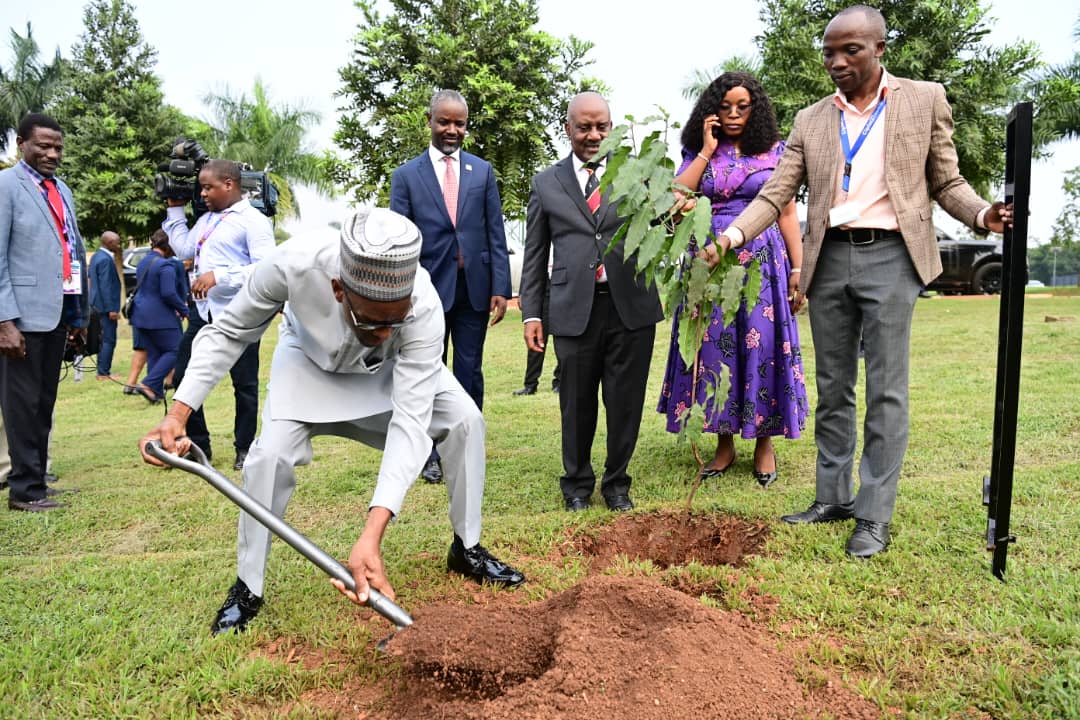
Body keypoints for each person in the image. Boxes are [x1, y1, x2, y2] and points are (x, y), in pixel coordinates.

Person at [705, 5, 1012, 557]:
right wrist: (732, 238)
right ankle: (833, 497)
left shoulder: (924, 99)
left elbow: (947, 180)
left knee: (887, 389)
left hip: (893, 256)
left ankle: (873, 515)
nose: (837, 61)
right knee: (835, 386)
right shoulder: (811, 119)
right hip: (829, 260)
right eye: (829, 52)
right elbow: (776, 193)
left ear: (880, 49)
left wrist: (982, 215)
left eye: (850, 50)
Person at [140, 207, 524, 634]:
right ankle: (248, 587)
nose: (383, 332)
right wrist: (179, 413)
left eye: (392, 322)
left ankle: (466, 547)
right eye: (373, 321)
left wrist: (372, 533)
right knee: (266, 458)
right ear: (339, 289)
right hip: (306, 365)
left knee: (465, 419)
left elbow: (411, 423)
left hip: (387, 372)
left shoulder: (423, 308)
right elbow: (230, 331)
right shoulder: (291, 265)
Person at [657, 72, 809, 487]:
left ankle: (764, 444)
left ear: (756, 108)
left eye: (743, 106)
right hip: (708, 262)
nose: (734, 113)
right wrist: (706, 150)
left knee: (761, 347)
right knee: (714, 349)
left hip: (762, 262)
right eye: (726, 106)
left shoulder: (775, 152)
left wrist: (799, 268)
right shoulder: (698, 149)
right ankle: (723, 444)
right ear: (712, 110)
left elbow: (788, 213)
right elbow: (675, 198)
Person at [520, 92, 664, 513]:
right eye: (584, 127)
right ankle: (577, 486)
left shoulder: (634, 176)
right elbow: (534, 255)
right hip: (572, 309)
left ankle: (617, 484)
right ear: (568, 129)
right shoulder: (546, 183)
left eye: (601, 126)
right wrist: (532, 313)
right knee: (576, 404)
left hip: (630, 306)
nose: (594, 135)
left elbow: (664, 220)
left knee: (625, 401)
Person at [390, 89, 512, 484]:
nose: (452, 130)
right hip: (425, 290)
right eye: (444, 121)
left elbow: (495, 232)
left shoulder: (483, 171)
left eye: (459, 123)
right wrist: (401, 291)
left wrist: (501, 286)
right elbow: (399, 238)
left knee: (469, 369)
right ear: (429, 121)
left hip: (474, 289)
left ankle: (465, 441)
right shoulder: (407, 176)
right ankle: (427, 451)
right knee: (427, 369)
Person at [163, 159, 275, 470]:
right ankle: (198, 446)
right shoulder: (209, 220)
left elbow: (267, 268)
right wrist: (174, 210)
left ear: (229, 184)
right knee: (184, 376)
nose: (202, 195)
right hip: (203, 312)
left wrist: (219, 276)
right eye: (200, 187)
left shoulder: (253, 221)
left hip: (240, 314)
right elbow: (185, 248)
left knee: (244, 384)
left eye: (208, 187)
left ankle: (245, 449)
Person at [0, 113, 84, 511]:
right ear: (21, 144)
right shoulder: (6, 186)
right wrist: (4, 320)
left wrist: (77, 313)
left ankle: (37, 480)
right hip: (21, 317)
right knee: (21, 405)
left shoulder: (61, 189)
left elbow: (69, 250)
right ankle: (23, 491)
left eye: (58, 147)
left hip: (58, 312)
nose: (52, 154)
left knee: (43, 403)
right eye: (44, 146)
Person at [130, 231, 188, 403]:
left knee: (154, 352)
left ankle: (155, 392)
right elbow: (168, 293)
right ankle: (149, 384)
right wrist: (184, 310)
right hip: (160, 316)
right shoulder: (165, 266)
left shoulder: (143, 262)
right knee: (176, 350)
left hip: (140, 315)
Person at [512, 255, 561, 396]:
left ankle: (560, 381)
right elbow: (530, 266)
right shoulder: (540, 234)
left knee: (563, 340)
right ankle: (530, 384)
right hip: (542, 292)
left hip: (563, 289)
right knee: (536, 340)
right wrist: (523, 292)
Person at [89, 230, 123, 381]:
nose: (119, 245)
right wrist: (112, 309)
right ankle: (103, 373)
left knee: (102, 339)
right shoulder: (105, 260)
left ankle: (102, 370)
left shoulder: (96, 256)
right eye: (117, 242)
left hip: (96, 305)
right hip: (104, 307)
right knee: (108, 339)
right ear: (109, 243)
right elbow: (106, 286)